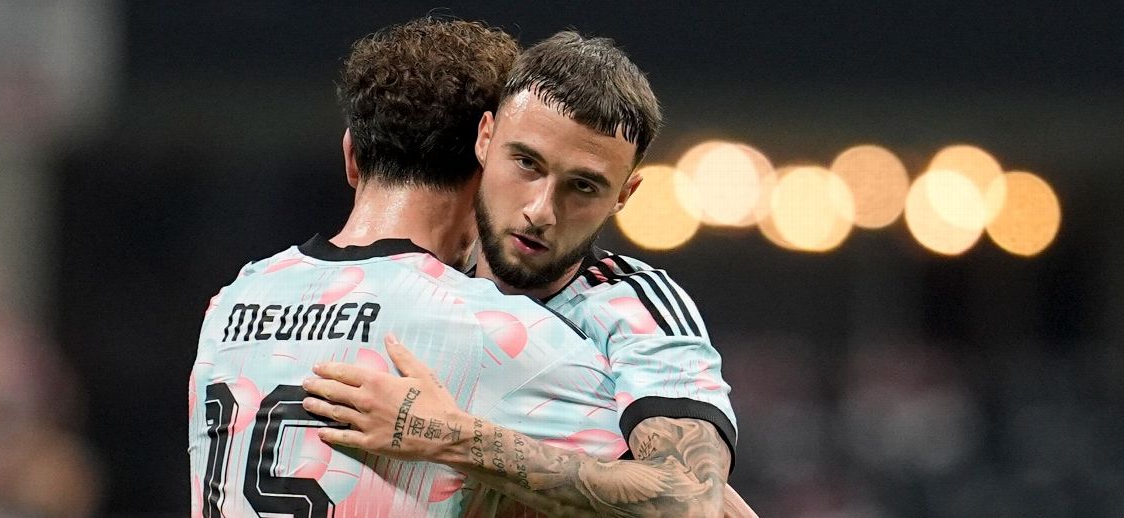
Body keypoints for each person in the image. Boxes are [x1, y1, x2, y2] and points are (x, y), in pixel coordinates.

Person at [188, 19, 632, 517]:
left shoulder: (229, 305)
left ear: (351, 155)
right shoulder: (497, 333)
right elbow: (682, 499)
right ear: (487, 158)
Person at [304, 31, 753, 517]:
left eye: (583, 186)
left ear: (624, 195)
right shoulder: (419, 279)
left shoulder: (635, 310)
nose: (541, 211)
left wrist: (450, 436)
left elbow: (693, 502)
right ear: (485, 138)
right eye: (526, 163)